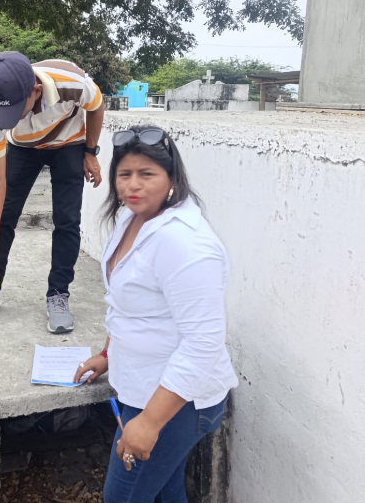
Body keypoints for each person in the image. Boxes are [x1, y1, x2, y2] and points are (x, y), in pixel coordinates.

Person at [74, 125, 238, 502]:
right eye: (124, 174)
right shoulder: (132, 219)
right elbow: (129, 305)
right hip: (145, 387)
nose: (133, 185)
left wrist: (149, 422)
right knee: (166, 491)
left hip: (177, 402)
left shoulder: (185, 243)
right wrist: (107, 354)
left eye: (146, 174)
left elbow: (204, 343)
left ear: (172, 179)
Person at [0, 51, 105, 333]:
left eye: (14, 111)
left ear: (36, 91)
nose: (6, 120)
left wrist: (90, 152)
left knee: (67, 220)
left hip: (69, 143)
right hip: (23, 148)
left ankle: (58, 295)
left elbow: (97, 106)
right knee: (4, 218)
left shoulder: (73, 83)